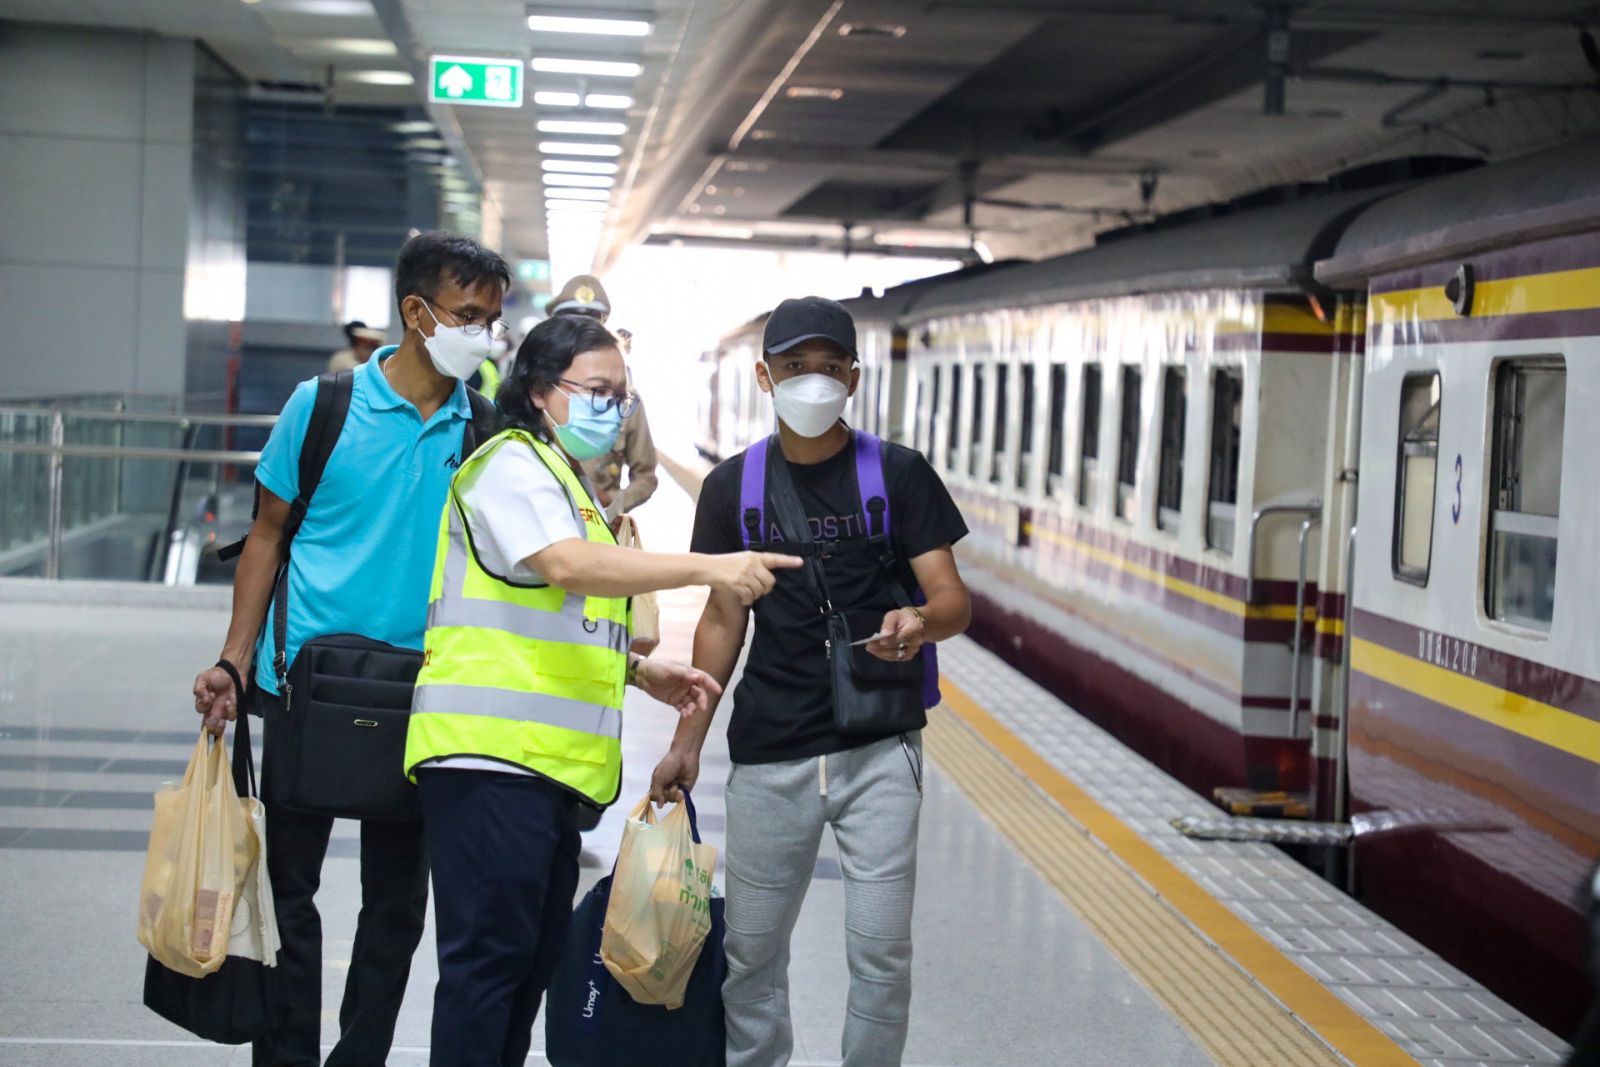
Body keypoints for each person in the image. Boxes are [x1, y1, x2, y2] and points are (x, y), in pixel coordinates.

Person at [402, 313, 801, 1067]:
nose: (612, 409)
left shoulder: (566, 481)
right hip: (490, 759)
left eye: (621, 395)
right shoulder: (510, 465)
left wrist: (639, 671)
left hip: (541, 768)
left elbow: (547, 613)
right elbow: (569, 567)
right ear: (538, 389)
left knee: (523, 967)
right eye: (596, 390)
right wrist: (709, 567)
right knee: (487, 970)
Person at [191, 231, 513, 1067]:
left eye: (490, 320)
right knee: (287, 893)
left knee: (396, 909)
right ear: (416, 312)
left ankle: (359, 1056)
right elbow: (266, 536)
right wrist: (233, 660)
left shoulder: (483, 427)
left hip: (423, 695)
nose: (482, 334)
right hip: (306, 684)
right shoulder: (323, 406)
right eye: (468, 315)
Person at [649, 296, 972, 1067]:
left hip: (880, 748)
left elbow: (953, 599)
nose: (813, 380)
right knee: (751, 954)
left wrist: (919, 620)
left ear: (853, 378)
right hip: (771, 749)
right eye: (795, 366)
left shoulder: (899, 474)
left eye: (830, 366)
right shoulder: (732, 489)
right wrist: (687, 740)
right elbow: (722, 620)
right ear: (765, 376)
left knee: (882, 953)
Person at [547, 273, 658, 518]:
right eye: (570, 324)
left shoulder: (624, 400)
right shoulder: (540, 389)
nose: (580, 334)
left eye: (591, 325)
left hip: (598, 529)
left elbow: (646, 476)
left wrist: (611, 506)